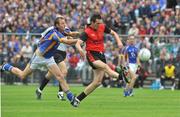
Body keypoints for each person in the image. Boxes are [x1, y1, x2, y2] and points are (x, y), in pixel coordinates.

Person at [0, 16, 78, 106]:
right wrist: (79, 41)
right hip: (38, 57)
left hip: (49, 58)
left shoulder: (63, 31)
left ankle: (71, 99)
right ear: (57, 25)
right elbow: (67, 41)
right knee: (22, 75)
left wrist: (84, 35)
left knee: (60, 76)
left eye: (65, 23)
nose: (64, 25)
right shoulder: (54, 33)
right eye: (62, 24)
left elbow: (72, 34)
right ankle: (6, 66)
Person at [71, 13, 129, 107]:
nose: (99, 25)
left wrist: (118, 42)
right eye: (97, 23)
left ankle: (77, 100)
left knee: (97, 82)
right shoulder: (87, 32)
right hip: (92, 55)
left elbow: (114, 33)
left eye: (100, 23)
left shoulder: (102, 26)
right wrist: (81, 50)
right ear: (92, 23)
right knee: (106, 66)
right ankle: (121, 76)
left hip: (101, 55)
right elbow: (78, 43)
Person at [35, 16, 80, 100]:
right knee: (64, 71)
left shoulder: (65, 29)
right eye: (62, 22)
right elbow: (43, 37)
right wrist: (41, 47)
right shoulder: (52, 29)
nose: (64, 23)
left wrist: (79, 36)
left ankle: (39, 90)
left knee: (50, 74)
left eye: (64, 22)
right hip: (56, 52)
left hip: (63, 52)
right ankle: (60, 93)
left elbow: (70, 36)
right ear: (57, 24)